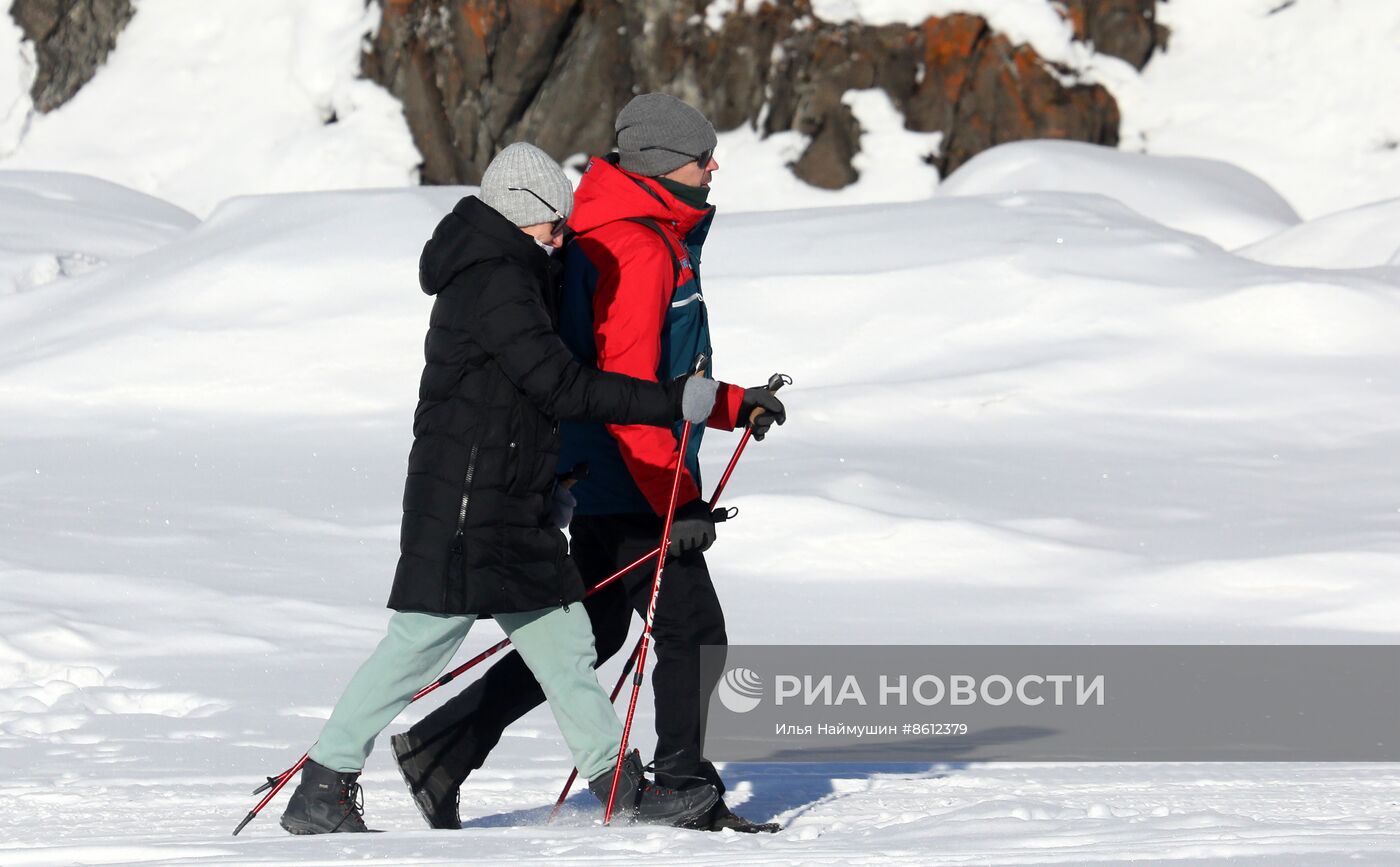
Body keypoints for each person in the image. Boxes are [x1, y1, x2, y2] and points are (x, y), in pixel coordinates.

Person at [278, 142, 741, 834]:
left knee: (567, 646)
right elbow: (561, 384)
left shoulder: (516, 272)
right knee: (417, 646)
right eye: (554, 225)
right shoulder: (495, 279)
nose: (563, 238)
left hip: (508, 506)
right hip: (468, 510)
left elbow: (524, 405)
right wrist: (673, 399)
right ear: (524, 215)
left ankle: (622, 788)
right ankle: (323, 784)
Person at [390, 95, 786, 834]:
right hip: (629, 472)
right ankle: (682, 788)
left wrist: (734, 405)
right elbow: (631, 388)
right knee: (694, 630)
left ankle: (442, 747)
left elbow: (652, 372)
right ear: (670, 168)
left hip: (601, 468)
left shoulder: (625, 232)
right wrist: (677, 499)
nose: (714, 166)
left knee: (592, 631)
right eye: (704, 157)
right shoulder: (638, 248)